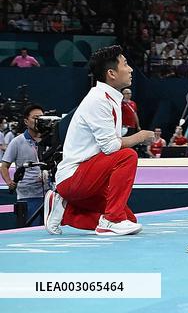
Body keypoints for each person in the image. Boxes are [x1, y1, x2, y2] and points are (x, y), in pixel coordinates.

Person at [46, 45, 154, 236]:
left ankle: (65, 212)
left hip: (90, 177)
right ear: (111, 73)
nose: (130, 70)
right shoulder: (99, 99)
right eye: (126, 64)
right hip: (74, 178)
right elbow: (111, 147)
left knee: (130, 221)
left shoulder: (111, 98)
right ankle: (110, 220)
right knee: (127, 156)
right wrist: (141, 136)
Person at [0, 104, 49, 225]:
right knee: (31, 231)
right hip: (28, 195)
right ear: (26, 121)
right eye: (35, 118)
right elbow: (4, 166)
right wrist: (9, 182)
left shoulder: (49, 140)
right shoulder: (17, 141)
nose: (39, 121)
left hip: (49, 195)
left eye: (41, 118)